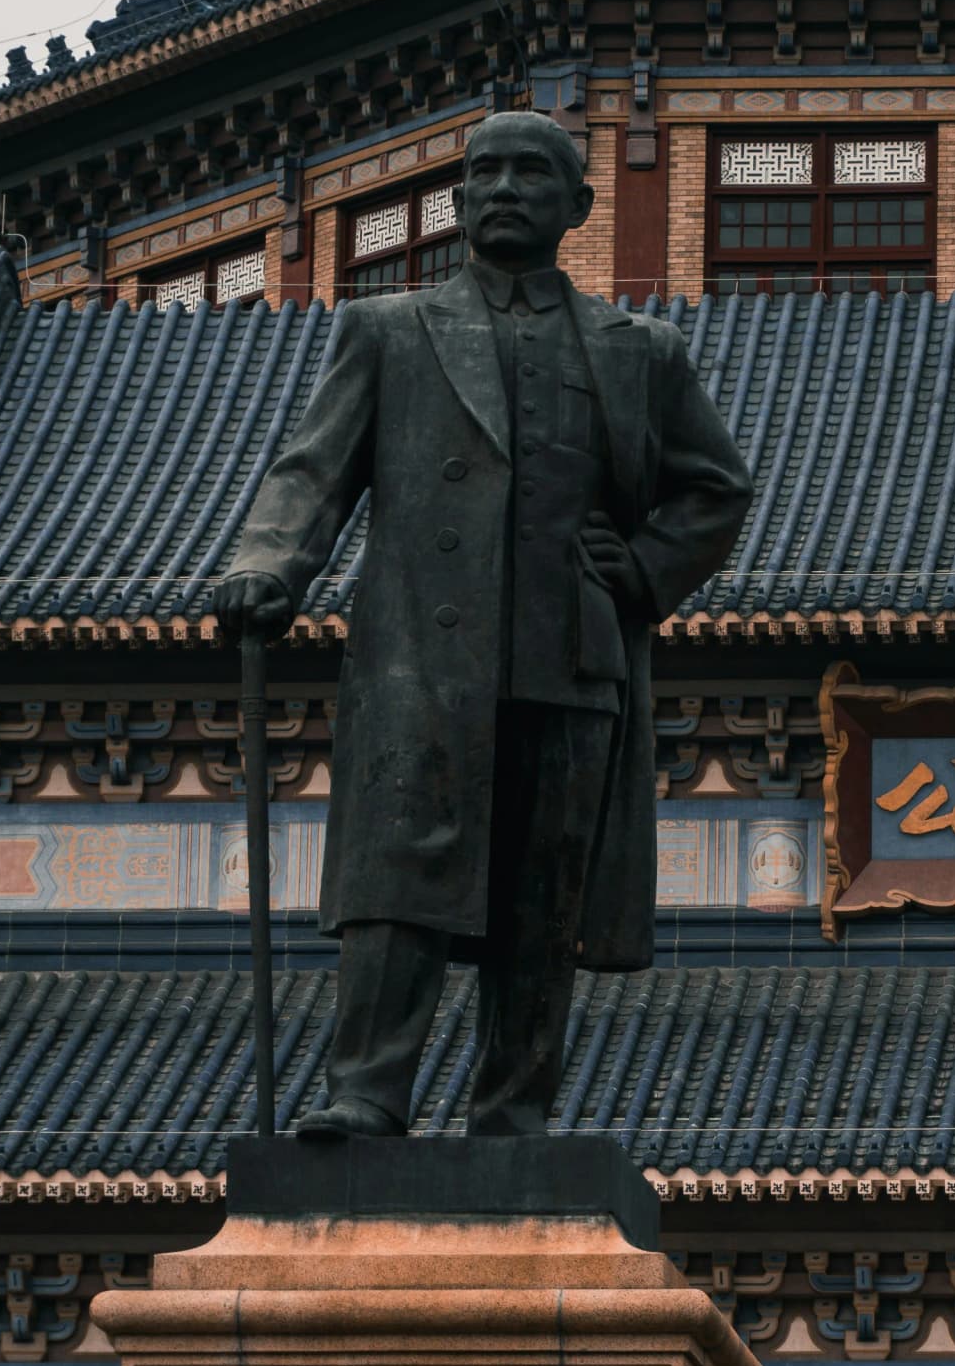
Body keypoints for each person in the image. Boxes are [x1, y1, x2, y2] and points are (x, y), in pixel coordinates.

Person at [208, 110, 751, 1136]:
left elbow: (717, 487)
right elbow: (312, 470)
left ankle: (514, 1109)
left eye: (530, 174)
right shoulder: (390, 331)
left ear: (577, 206)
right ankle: (366, 1092)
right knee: (399, 874)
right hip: (423, 653)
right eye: (484, 174)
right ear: (456, 203)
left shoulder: (641, 351)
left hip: (571, 653)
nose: (503, 189)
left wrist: (639, 571)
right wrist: (265, 563)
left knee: (541, 898)